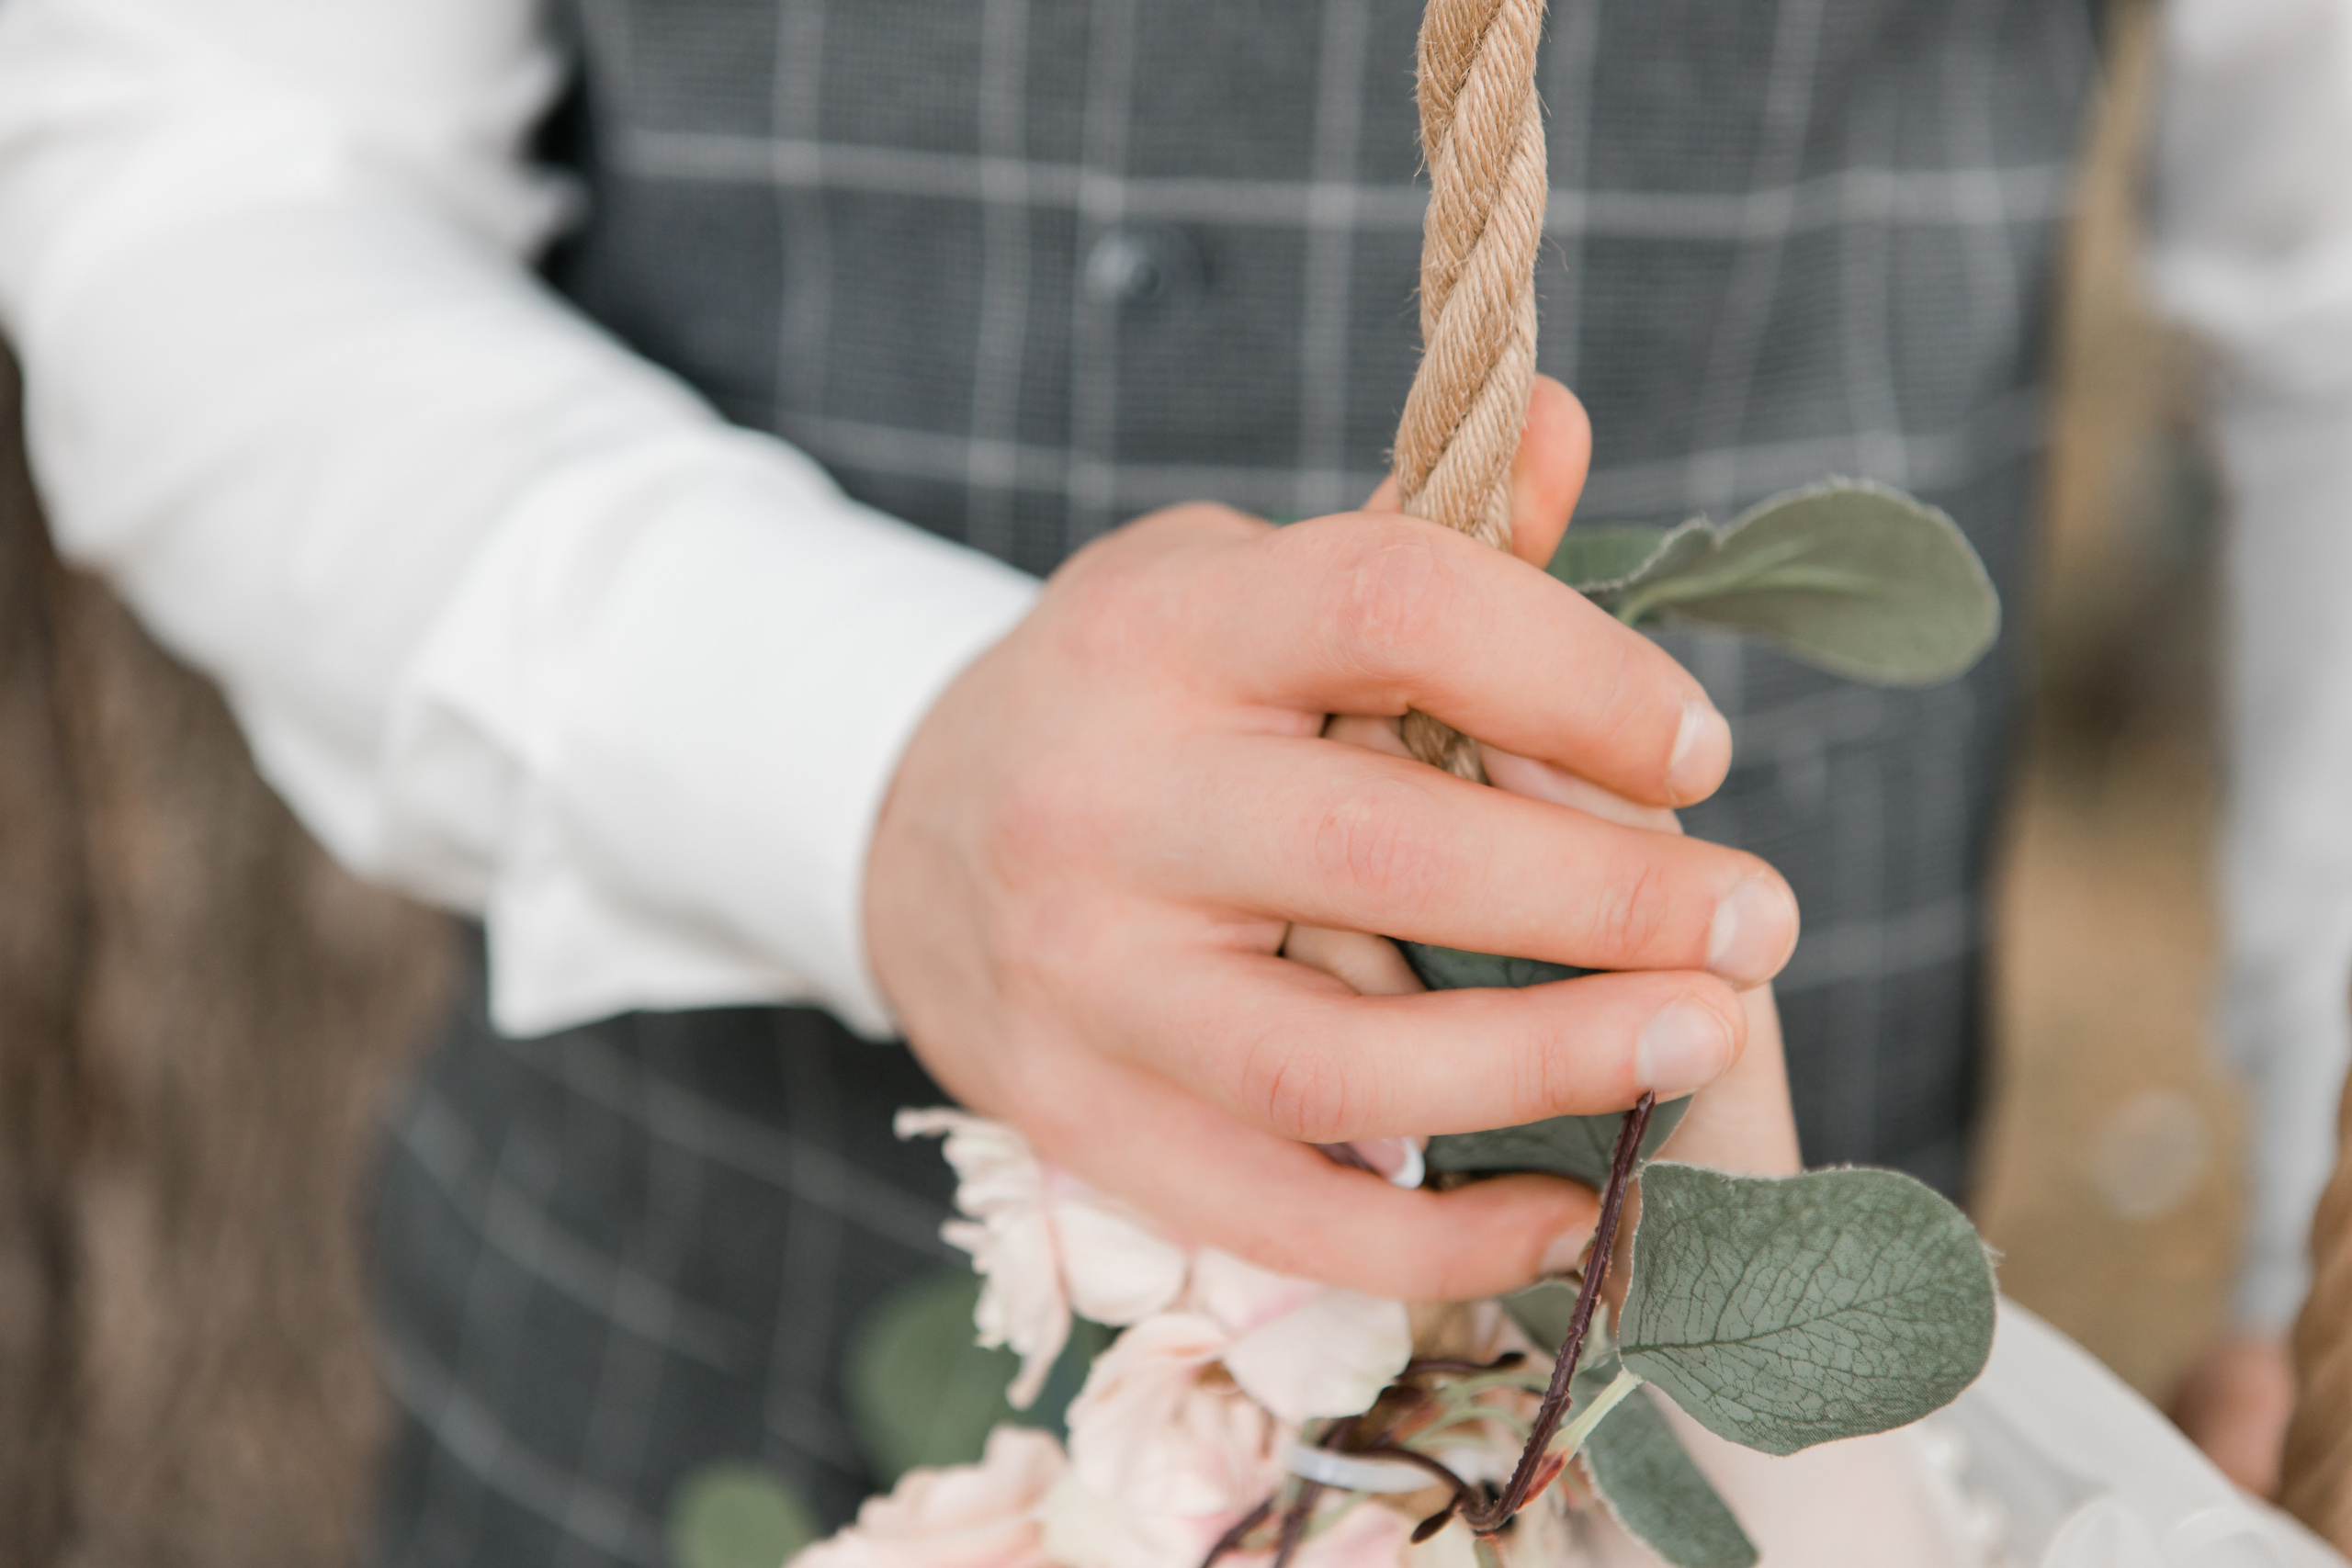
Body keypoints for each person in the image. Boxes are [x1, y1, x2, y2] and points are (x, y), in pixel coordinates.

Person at [0, 0, 2342, 1560]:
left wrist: (2306, 1275)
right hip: (652, 1375)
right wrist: (867, 761)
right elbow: (207, 171)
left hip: (1743, 1412)